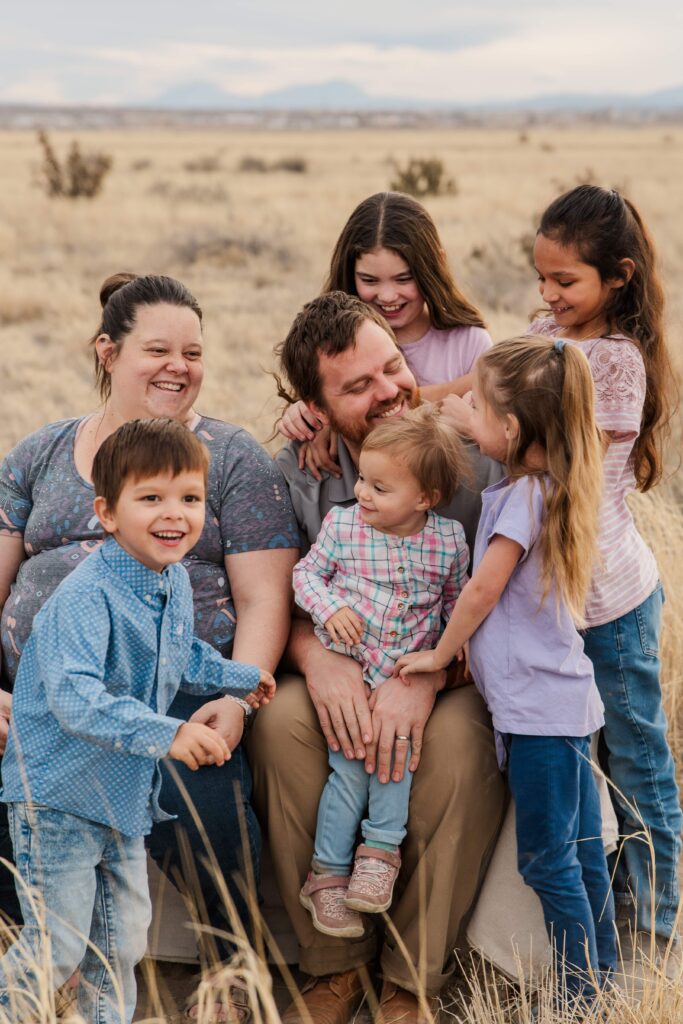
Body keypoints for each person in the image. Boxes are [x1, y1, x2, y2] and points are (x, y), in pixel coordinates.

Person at [0, 274, 299, 1019]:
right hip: (42, 700)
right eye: (156, 349)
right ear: (109, 352)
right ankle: (39, 969)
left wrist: (237, 692)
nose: (178, 366)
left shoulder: (228, 460)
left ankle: (232, 978)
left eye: (192, 352)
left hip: (171, 701)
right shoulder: (40, 454)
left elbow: (263, 597)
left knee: (208, 811)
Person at [248, 292, 505, 1024]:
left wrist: (430, 679)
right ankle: (332, 964)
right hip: (334, 657)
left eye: (390, 366)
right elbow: (282, 593)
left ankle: (409, 978)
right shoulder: (302, 473)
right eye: (356, 387)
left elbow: (501, 607)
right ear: (317, 409)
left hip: (450, 670)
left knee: (457, 745)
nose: (387, 390)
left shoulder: (472, 460)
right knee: (282, 727)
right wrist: (316, 658)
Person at [396, 337, 618, 1004]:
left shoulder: (519, 498)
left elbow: (481, 589)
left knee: (547, 860)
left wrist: (440, 651)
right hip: (561, 706)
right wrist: (467, 418)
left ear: (515, 430)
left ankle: (579, 1000)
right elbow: (488, 425)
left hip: (539, 718)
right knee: (580, 855)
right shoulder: (544, 482)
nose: (468, 413)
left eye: (480, 410)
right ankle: (602, 984)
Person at [530, 185, 682, 958]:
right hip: (552, 602)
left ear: (617, 276)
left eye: (566, 283)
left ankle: (654, 922)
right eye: (542, 279)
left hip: (610, 600)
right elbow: (491, 393)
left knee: (636, 755)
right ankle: (600, 907)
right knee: (580, 762)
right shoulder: (540, 334)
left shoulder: (616, 363)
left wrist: (485, 423)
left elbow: (570, 465)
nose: (549, 297)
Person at [292, 406, 469, 936]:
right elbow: (304, 577)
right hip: (351, 667)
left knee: (395, 759)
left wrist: (435, 664)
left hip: (403, 674)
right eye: (363, 480)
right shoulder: (343, 524)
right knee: (348, 767)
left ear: (424, 499)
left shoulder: (449, 542)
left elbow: (456, 611)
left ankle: (379, 855)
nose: (363, 493)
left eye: (380, 487)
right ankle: (326, 875)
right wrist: (329, 609)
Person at [276, 191, 492, 479]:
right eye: (369, 280)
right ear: (349, 273)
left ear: (433, 267)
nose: (388, 296)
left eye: (404, 279)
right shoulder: (329, 346)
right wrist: (311, 419)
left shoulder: (469, 342)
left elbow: (488, 420)